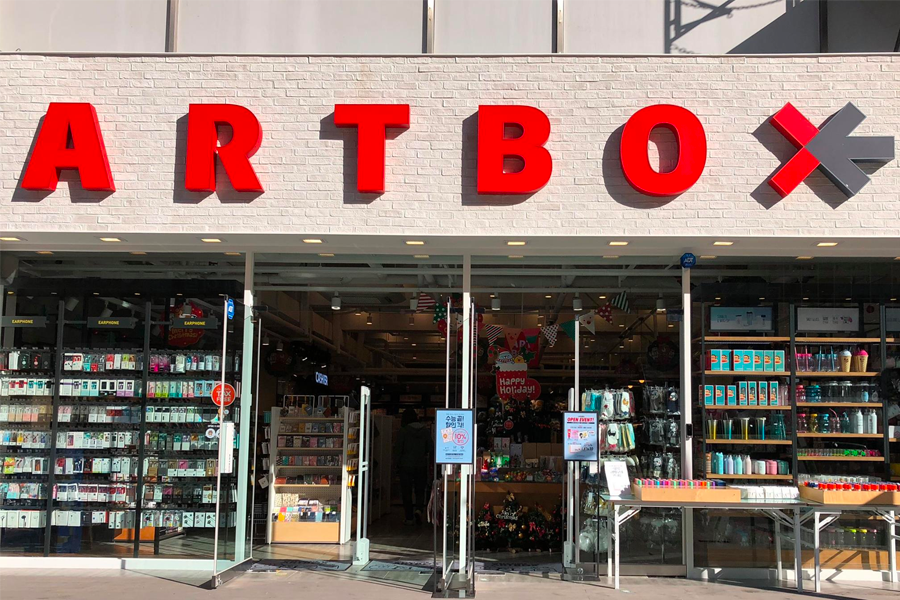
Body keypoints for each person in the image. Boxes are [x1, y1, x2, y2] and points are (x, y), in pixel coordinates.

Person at [396, 408, 432, 525]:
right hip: (421, 464)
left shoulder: (403, 431)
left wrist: (396, 464)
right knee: (420, 490)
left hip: (405, 465)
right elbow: (430, 448)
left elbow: (398, 450)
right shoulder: (425, 431)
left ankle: (409, 517)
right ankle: (419, 510)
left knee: (406, 491)